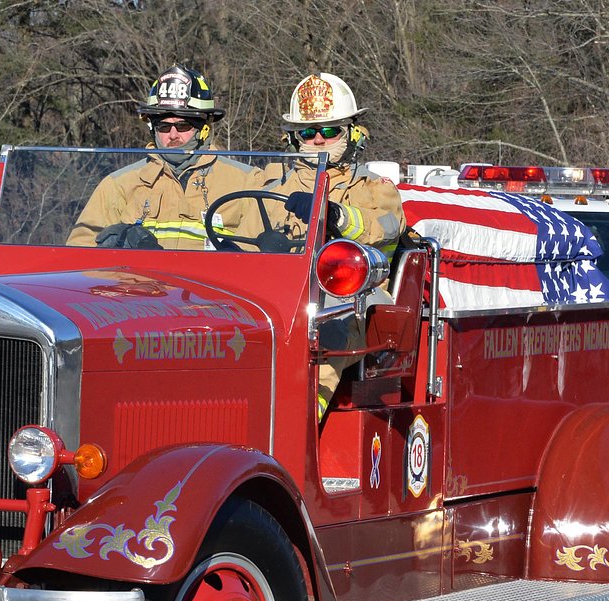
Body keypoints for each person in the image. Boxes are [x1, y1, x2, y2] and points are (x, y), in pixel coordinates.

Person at [267, 72, 406, 420]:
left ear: (354, 133)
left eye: (330, 131)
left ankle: (297, 426)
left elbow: (387, 227)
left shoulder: (376, 188)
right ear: (292, 137)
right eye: (307, 132)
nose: (317, 140)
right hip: (283, 293)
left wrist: (338, 216)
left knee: (328, 329)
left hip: (355, 298)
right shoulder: (270, 181)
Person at [67, 64, 267, 250]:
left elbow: (264, 255)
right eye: (163, 126)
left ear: (204, 129)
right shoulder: (119, 185)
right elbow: (80, 252)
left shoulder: (246, 182)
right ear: (152, 129)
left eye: (182, 126)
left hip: (209, 286)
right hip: (141, 285)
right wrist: (116, 248)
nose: (172, 135)